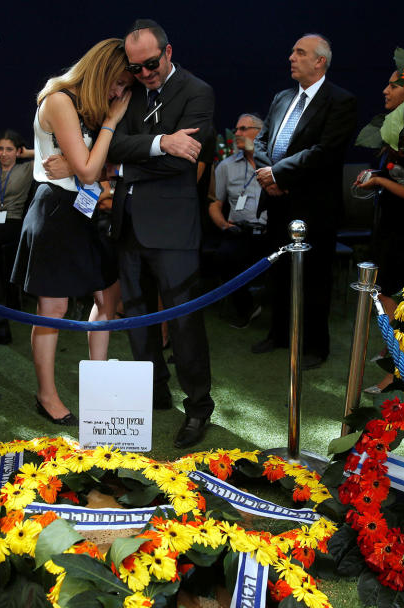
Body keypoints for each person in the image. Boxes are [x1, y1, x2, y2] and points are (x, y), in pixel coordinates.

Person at [104, 19, 216, 449]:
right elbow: (109, 144)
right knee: (136, 319)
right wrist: (160, 143)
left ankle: (199, 408)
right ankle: (154, 393)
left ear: (168, 52)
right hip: (128, 223)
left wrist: (135, 158)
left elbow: (184, 160)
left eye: (151, 64)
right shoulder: (130, 92)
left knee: (185, 322)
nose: (144, 73)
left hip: (173, 229)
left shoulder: (197, 91)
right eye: (136, 68)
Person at [10, 38, 132, 426]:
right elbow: (89, 169)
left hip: (88, 210)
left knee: (106, 297)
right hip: (57, 211)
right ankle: (46, 395)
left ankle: (98, 385)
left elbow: (95, 165)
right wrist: (106, 132)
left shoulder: (87, 107)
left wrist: (87, 161)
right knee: (54, 309)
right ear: (100, 72)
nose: (118, 94)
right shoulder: (60, 99)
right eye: (116, 83)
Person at [251, 34, 358, 369]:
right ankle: (278, 334)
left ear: (319, 61)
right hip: (277, 203)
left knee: (314, 278)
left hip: (315, 208)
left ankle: (316, 346)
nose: (291, 57)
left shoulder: (340, 101)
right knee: (278, 272)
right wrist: (269, 175)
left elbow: (325, 152)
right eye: (292, 51)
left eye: (300, 52)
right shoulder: (282, 97)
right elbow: (262, 140)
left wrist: (278, 175)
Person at [353, 70, 404, 393]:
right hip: (387, 227)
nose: (385, 90)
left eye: (393, 85)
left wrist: (378, 181)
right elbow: (397, 175)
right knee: (385, 301)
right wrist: (374, 175)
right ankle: (389, 360)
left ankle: (394, 376)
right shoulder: (395, 129)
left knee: (396, 307)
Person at [209, 113, 268, 328]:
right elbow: (215, 202)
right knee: (223, 258)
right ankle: (246, 307)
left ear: (260, 133)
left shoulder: (274, 162)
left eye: (244, 129)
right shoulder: (226, 166)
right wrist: (224, 225)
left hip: (270, 231)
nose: (238, 133)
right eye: (236, 129)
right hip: (239, 231)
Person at [0, 129, 35, 338]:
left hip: (13, 220)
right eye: (0, 149)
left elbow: (53, 155)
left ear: (17, 151)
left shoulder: (25, 170)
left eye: (9, 149)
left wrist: (28, 153)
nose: (4, 153)